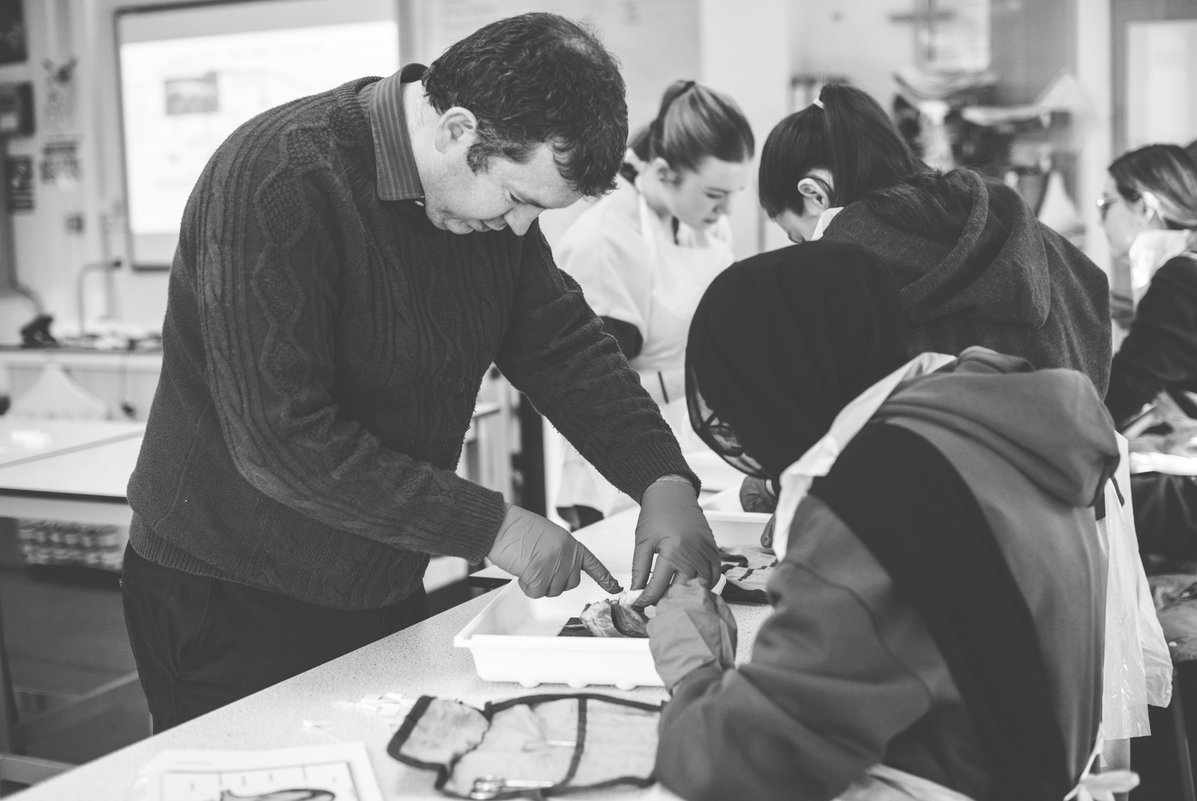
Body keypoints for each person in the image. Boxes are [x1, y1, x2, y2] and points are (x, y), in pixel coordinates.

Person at [121, 12, 721, 732]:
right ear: (457, 131)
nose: (522, 229)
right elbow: (281, 441)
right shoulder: (277, 180)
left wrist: (662, 477)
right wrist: (493, 526)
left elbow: (565, 349)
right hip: (231, 594)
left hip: (377, 579)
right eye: (520, 199)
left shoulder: (484, 211)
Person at [647, 242, 1118, 801]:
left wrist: (693, 670)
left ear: (776, 376)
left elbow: (742, 768)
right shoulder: (977, 420)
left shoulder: (874, 496)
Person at [757, 82, 1112, 396]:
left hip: (956, 463)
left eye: (800, 238)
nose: (810, 250)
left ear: (814, 194)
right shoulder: (1000, 212)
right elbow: (1092, 291)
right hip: (1078, 454)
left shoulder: (848, 261)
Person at [552, 79, 754, 529]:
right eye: (714, 196)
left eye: (732, 196)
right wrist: (710, 376)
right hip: (615, 463)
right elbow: (593, 390)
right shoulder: (606, 240)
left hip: (688, 442)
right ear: (663, 173)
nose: (724, 213)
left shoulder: (698, 221)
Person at [1099, 144, 1197, 563]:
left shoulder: (1183, 275)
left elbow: (1124, 390)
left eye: (1106, 203)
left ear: (1144, 205)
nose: (1100, 217)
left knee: (1080, 510)